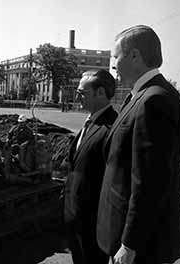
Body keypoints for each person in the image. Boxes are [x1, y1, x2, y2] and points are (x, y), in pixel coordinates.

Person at [97, 25, 180, 264]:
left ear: (135, 55)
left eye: (116, 56)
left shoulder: (154, 100)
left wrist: (130, 244)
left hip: (140, 248)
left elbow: (149, 181)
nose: (113, 65)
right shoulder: (141, 95)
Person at [64, 70, 118, 264]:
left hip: (93, 226)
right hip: (75, 219)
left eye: (82, 93)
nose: (77, 97)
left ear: (101, 93)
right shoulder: (90, 123)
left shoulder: (112, 128)